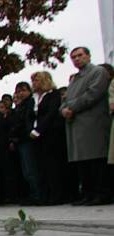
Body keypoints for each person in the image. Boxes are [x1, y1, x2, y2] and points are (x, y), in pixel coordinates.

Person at [60, 47, 112, 205]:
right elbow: (65, 99)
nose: (77, 59)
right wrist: (63, 110)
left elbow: (93, 94)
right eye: (73, 57)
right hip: (76, 125)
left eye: (80, 55)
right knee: (83, 163)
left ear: (88, 56)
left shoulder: (98, 72)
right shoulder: (74, 79)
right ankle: (88, 194)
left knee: (95, 160)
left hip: (93, 123)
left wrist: (71, 108)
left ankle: (101, 194)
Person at [31, 71, 68, 204]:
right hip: (36, 136)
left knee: (53, 166)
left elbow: (51, 113)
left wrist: (38, 130)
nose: (34, 83)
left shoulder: (53, 95)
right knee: (41, 167)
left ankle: (56, 195)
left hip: (50, 134)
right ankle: (44, 195)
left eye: (37, 80)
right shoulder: (34, 97)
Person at [11, 82, 41, 205]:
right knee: (26, 170)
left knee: (31, 169)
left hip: (28, 139)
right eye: (18, 91)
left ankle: (38, 195)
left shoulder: (31, 103)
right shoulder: (20, 106)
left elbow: (26, 121)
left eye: (23, 90)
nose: (20, 94)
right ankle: (32, 194)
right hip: (20, 140)